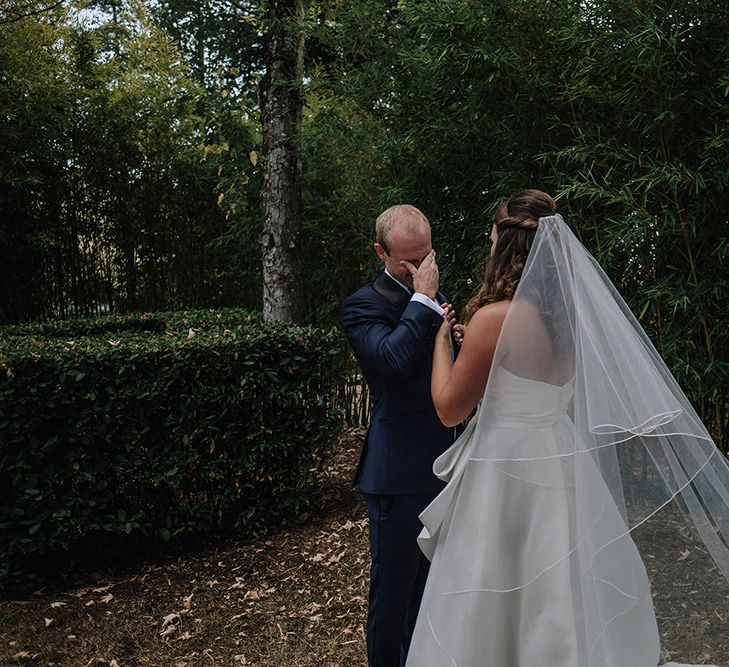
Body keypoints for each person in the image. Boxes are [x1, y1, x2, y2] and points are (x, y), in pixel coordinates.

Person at [404, 189, 729, 666]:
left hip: (505, 468)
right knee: (558, 585)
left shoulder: (493, 319)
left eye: (492, 234)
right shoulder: (570, 316)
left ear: (505, 245)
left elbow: (449, 409)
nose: (488, 242)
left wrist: (441, 343)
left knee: (493, 589)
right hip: (559, 458)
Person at [341, 204, 463, 667]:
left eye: (425, 257)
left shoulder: (435, 295)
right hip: (398, 476)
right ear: (380, 252)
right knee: (392, 602)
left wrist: (458, 339)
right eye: (407, 262)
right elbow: (391, 361)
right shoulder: (362, 306)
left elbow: (444, 378)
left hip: (446, 464)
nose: (419, 269)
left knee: (430, 596)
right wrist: (424, 302)